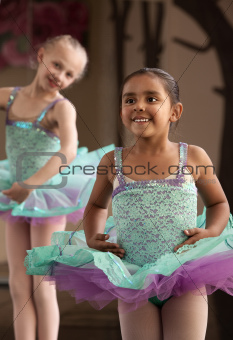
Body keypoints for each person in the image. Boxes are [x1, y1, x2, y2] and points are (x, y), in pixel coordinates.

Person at [25, 68, 233, 340]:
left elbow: (218, 203)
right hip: (131, 278)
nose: (139, 106)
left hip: (185, 275)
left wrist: (211, 232)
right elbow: (97, 206)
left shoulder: (192, 156)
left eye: (152, 98)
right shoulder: (113, 161)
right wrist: (92, 237)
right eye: (129, 100)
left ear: (175, 112)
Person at [0, 34, 113, 340]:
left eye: (69, 74)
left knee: (41, 282)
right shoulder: (10, 96)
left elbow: (69, 150)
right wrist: (20, 187)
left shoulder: (61, 108)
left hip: (47, 194)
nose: (60, 76)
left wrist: (29, 185)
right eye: (57, 65)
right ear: (40, 56)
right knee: (19, 283)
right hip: (15, 191)